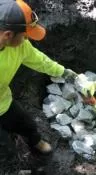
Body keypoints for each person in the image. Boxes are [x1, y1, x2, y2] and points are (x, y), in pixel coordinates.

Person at [0, 0, 78, 155]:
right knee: (5, 150)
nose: (27, 40)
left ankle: (35, 142)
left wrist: (64, 72)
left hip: (3, 101)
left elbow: (39, 59)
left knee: (27, 124)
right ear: (8, 35)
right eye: (25, 36)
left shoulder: (20, 46)